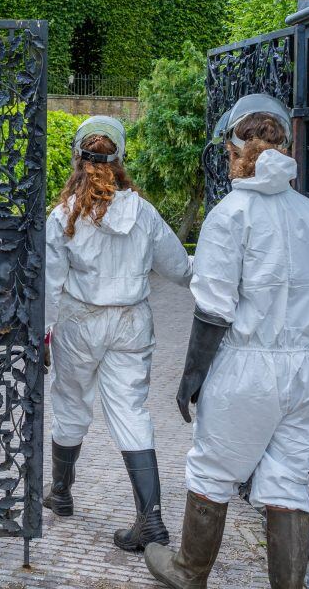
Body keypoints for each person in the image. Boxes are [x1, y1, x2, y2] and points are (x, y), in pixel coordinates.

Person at [145, 95, 309, 589]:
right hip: (305, 368)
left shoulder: (230, 214)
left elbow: (214, 308)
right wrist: (302, 363)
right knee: (288, 481)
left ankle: (189, 571)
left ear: (236, 152)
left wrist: (191, 378)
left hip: (246, 367)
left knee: (213, 469)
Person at [44, 115, 193, 552]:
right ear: (120, 158)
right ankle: (151, 518)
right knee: (131, 411)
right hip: (131, 321)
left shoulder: (63, 215)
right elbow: (179, 269)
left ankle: (61, 492)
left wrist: (42, 333)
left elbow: (50, 285)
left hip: (79, 322)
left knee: (70, 404)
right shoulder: (143, 212)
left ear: (77, 157)